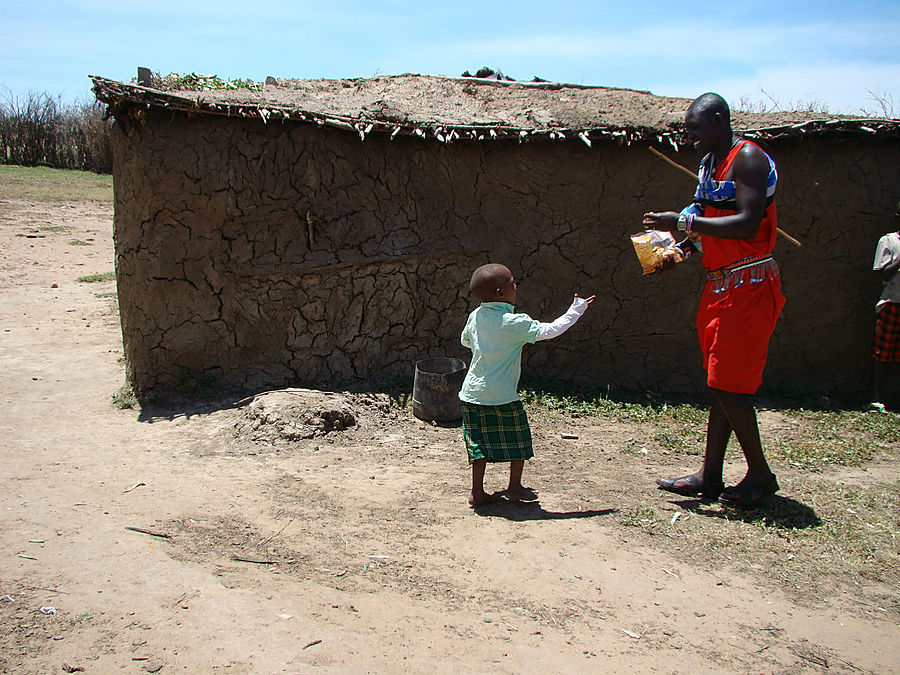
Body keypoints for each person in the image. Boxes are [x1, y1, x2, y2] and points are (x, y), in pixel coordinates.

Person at [642, 92, 785, 507]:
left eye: (696, 129)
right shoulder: (709, 166)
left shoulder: (749, 159)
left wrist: (681, 220)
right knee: (722, 382)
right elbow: (711, 222)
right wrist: (679, 250)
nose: (691, 138)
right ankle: (711, 475)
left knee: (727, 381)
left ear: (720, 120)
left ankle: (760, 474)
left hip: (749, 282)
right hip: (721, 282)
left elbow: (747, 221)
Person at [459, 263, 594, 506]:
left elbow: (466, 342)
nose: (516, 285)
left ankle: (477, 492)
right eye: (512, 282)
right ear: (501, 292)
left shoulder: (475, 316)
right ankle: (514, 487)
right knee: (519, 441)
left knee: (478, 445)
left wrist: (488, 346)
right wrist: (578, 309)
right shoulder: (514, 323)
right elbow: (552, 330)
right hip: (502, 396)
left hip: (472, 394)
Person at [870, 202, 900, 411]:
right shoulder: (888, 241)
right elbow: (883, 273)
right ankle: (875, 395)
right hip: (892, 302)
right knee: (882, 350)